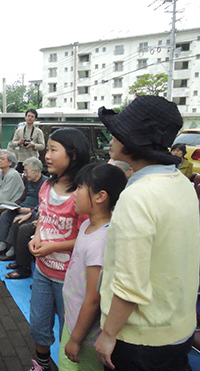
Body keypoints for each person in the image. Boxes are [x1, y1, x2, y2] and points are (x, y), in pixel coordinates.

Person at [94, 96, 200, 371]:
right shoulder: (182, 184)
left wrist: (107, 334)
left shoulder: (138, 196)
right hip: (178, 327)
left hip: (140, 339)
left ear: (132, 141)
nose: (112, 136)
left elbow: (130, 284)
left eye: (118, 131)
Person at [27, 128, 90, 371]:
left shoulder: (82, 195)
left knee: (70, 329)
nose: (47, 156)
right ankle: (41, 365)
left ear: (73, 156)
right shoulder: (46, 186)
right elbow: (43, 216)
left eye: (54, 150)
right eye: (48, 149)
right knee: (38, 326)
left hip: (70, 279)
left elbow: (88, 237)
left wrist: (53, 246)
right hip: (43, 272)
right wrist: (37, 236)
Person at [58, 163, 127, 371]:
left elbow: (93, 297)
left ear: (100, 197)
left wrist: (76, 339)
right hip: (73, 321)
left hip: (86, 335)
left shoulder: (101, 240)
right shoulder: (88, 225)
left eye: (80, 188)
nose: (74, 194)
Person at [0, 157, 47, 261]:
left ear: (36, 171)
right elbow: (22, 197)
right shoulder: (28, 181)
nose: (25, 174)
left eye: (27, 171)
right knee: (5, 215)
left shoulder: (45, 183)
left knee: (17, 220)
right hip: (22, 207)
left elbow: (43, 204)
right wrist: (13, 205)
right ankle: (2, 244)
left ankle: (12, 249)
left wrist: (29, 210)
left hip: (32, 211)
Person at [9, 109, 45, 173]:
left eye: (32, 116)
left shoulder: (38, 131)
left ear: (35, 119)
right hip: (21, 160)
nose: (30, 118)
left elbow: (42, 146)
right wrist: (19, 143)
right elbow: (12, 144)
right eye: (28, 116)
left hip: (33, 161)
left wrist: (33, 145)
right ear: (25, 117)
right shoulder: (19, 130)